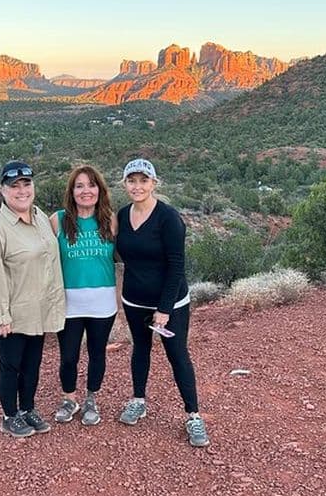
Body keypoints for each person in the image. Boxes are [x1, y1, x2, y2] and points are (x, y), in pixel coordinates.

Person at [115, 158, 211, 447]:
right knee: (140, 350)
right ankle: (138, 400)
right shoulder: (121, 215)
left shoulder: (168, 218)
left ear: (154, 183)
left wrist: (165, 309)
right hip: (134, 300)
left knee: (177, 355)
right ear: (125, 184)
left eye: (144, 180)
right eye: (132, 181)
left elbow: (176, 265)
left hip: (170, 304)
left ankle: (193, 415)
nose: (137, 186)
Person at [0, 160, 66, 438]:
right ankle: (9, 416)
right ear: (3, 190)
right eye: (15, 186)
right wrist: (1, 316)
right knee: (11, 366)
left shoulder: (40, 218)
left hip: (36, 310)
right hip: (10, 314)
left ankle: (27, 409)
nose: (22, 191)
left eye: (27, 184)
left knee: (32, 364)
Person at [49, 165, 118, 425]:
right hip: (69, 302)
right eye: (79, 186)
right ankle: (69, 398)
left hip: (103, 301)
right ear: (71, 191)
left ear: (99, 190)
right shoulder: (57, 220)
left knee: (97, 352)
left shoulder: (110, 220)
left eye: (91, 185)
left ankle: (91, 399)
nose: (85, 191)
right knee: (68, 355)